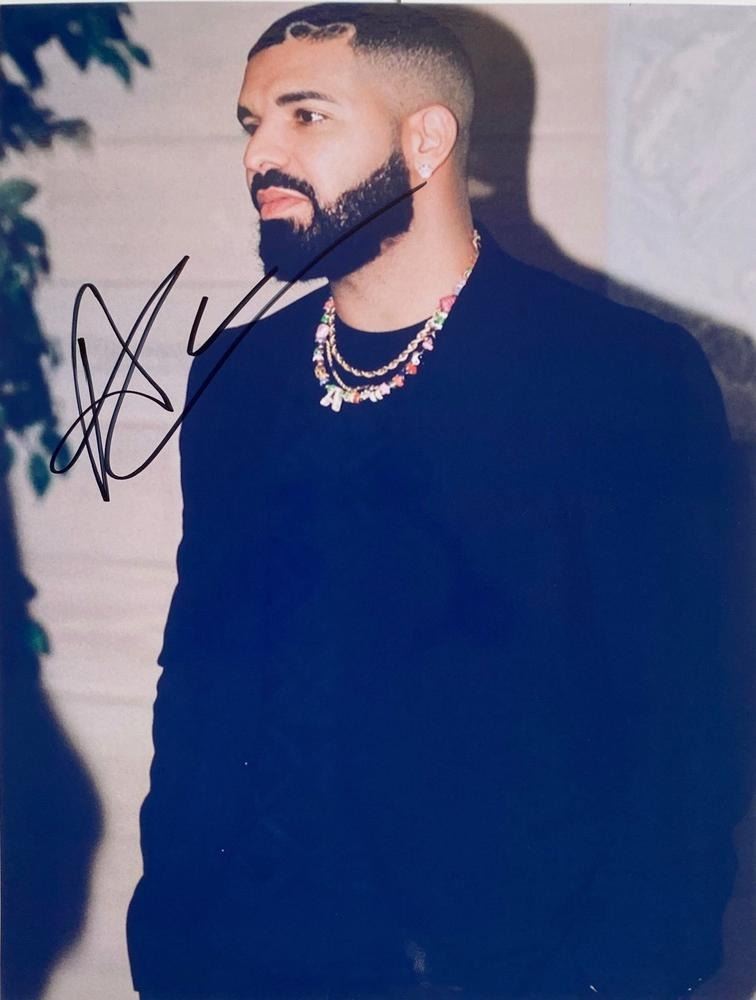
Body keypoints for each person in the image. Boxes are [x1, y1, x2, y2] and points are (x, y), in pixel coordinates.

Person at [127, 5, 746, 998]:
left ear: (426, 138)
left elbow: (689, 717)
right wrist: (166, 925)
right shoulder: (235, 375)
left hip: (503, 968)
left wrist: (622, 976)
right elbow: (199, 667)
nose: (259, 155)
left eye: (305, 115)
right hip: (240, 956)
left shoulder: (619, 374)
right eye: (252, 123)